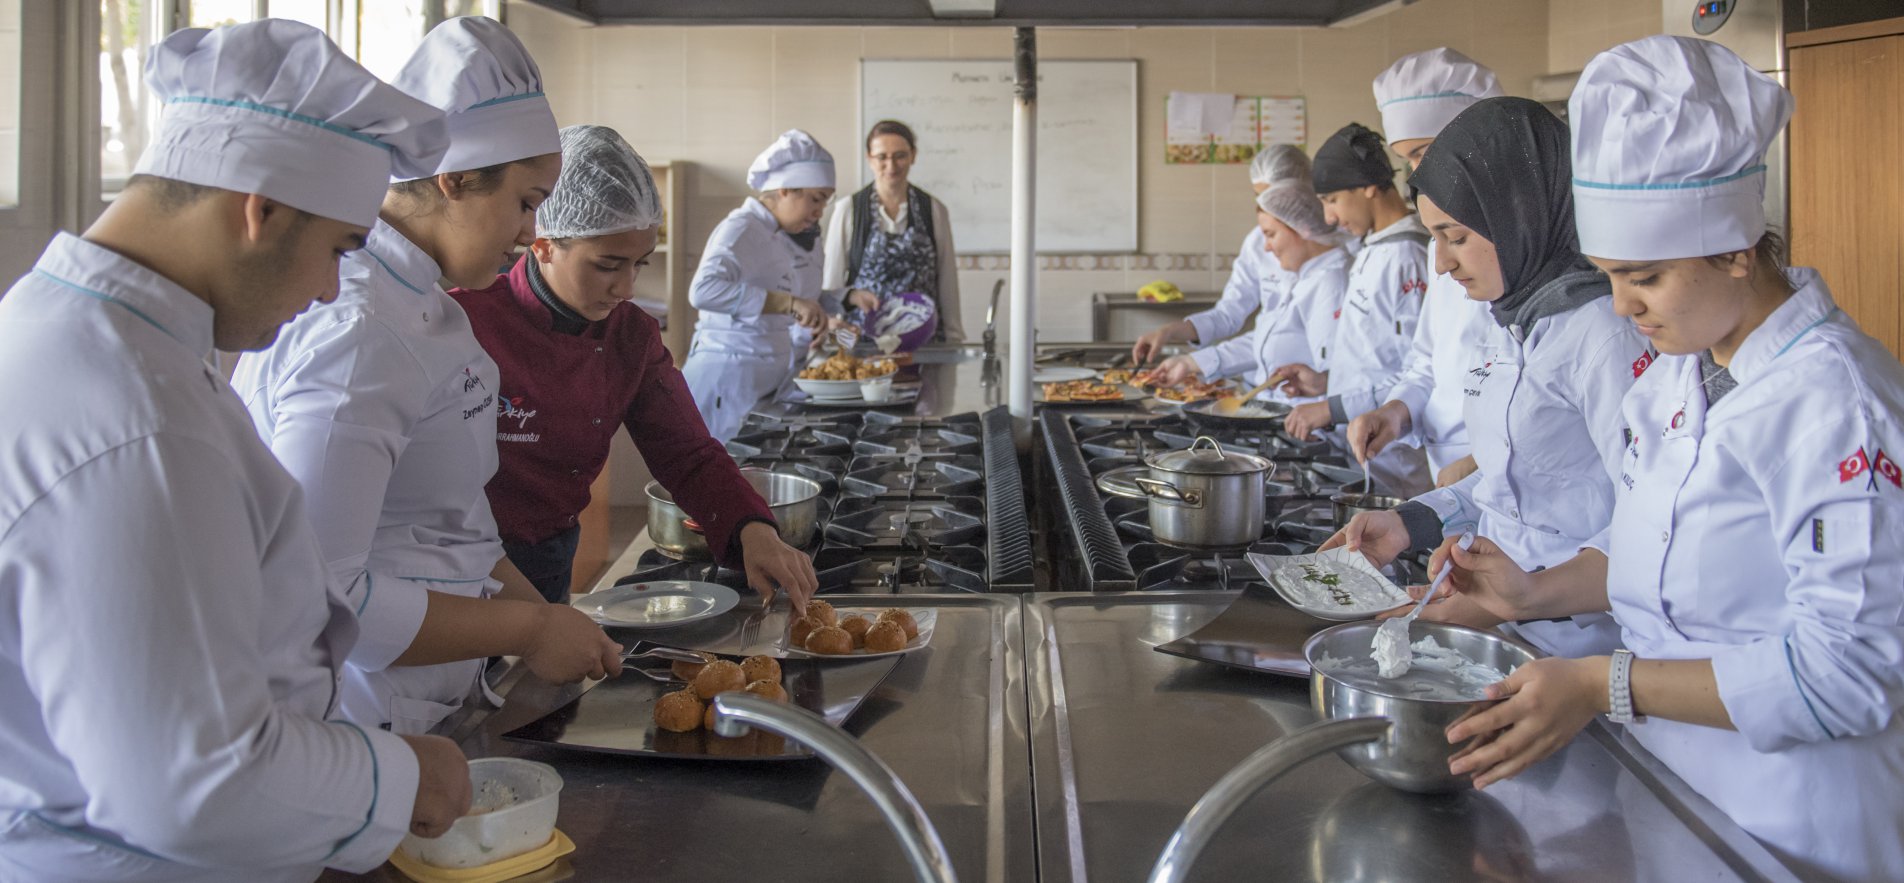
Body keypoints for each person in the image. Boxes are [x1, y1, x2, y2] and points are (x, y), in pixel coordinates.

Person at [0, 21, 472, 880]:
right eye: (338, 248)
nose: (332, 287)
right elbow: (198, 783)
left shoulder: (69, 328)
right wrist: (400, 776)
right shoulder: (137, 420)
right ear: (262, 210)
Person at [1428, 37, 1904, 882]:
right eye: (1609, 274)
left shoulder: (1836, 402)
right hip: (1674, 794)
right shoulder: (1682, 374)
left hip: (1792, 823)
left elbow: (1849, 673)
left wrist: (1604, 683)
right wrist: (1531, 592)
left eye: (1643, 276)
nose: (1620, 306)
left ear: (1735, 250)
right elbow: (1653, 552)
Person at [233, 16, 621, 737]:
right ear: (455, 180)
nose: (530, 235)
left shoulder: (424, 304)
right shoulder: (360, 333)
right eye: (527, 202)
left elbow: (455, 527)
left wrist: (542, 614)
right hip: (355, 715)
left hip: (431, 704)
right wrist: (528, 631)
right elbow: (320, 593)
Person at [1322, 97, 1648, 659]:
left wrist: (1517, 599)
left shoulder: (1605, 339)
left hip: (1585, 648)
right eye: (1434, 239)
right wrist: (1413, 522)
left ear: (1517, 214)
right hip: (1510, 627)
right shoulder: (1513, 322)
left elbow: (1648, 527)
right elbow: (1517, 482)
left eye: (1457, 237)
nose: (1443, 264)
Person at [451, 125, 819, 609]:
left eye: (639, 264)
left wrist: (754, 528)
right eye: (607, 265)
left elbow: (688, 453)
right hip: (457, 571)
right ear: (542, 246)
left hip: (553, 556)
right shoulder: (467, 322)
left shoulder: (631, 336)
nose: (625, 287)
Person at [1346, 48, 1501, 488]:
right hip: (1446, 478)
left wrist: (1481, 466)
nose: (1418, 175)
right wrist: (1394, 412)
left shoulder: (1520, 252)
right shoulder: (1445, 245)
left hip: (1503, 487)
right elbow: (1427, 360)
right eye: (1409, 161)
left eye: (1424, 153)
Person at [682, 130, 879, 442]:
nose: (819, 212)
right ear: (785, 189)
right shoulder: (741, 228)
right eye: (816, 199)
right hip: (727, 382)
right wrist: (788, 304)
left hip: (768, 381)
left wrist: (845, 298)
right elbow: (703, 291)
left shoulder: (786, 233)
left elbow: (801, 297)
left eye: (825, 202)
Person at [1278, 123, 1432, 496]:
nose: (1328, 218)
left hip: (1398, 459)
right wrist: (1326, 381)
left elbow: (1417, 371)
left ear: (1366, 186)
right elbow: (1374, 355)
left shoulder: (1408, 256)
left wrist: (1332, 408)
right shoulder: (1374, 247)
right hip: (1366, 450)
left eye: (1332, 200)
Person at [1149, 179, 1350, 399]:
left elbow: (1337, 377)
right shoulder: (1303, 277)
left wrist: (1323, 416)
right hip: (1287, 415)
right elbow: (1269, 340)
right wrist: (1191, 362)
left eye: (1271, 234)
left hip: (1310, 424)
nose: (1265, 247)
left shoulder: (1331, 283)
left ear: (1302, 229)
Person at [1131, 144, 1311, 366]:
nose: (1267, 208)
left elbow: (1294, 340)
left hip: (1310, 389)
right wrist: (1171, 331)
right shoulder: (1257, 242)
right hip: (1263, 382)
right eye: (1259, 197)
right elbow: (1229, 314)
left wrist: (1196, 363)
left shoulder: (1334, 257)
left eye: (1276, 198)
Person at [822, 119, 964, 343]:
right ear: (869, 159)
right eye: (882, 157)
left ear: (913, 156)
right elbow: (832, 281)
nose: (891, 165)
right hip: (863, 343)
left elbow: (946, 280)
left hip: (923, 341)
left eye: (900, 156)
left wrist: (954, 337)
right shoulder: (849, 210)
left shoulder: (934, 210)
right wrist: (832, 333)